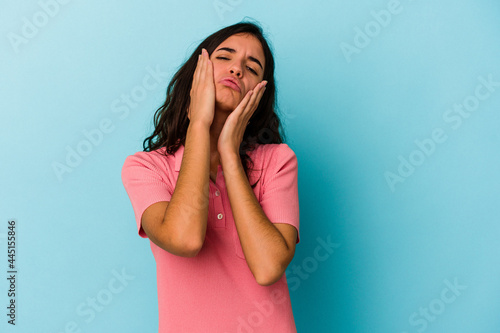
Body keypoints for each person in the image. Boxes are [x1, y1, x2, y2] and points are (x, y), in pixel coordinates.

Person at [121, 21, 300, 332]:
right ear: (197, 73)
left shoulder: (277, 161)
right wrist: (199, 126)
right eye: (225, 57)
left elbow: (269, 267)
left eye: (252, 67)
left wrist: (230, 156)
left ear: (259, 94)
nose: (237, 70)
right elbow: (186, 240)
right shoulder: (145, 167)